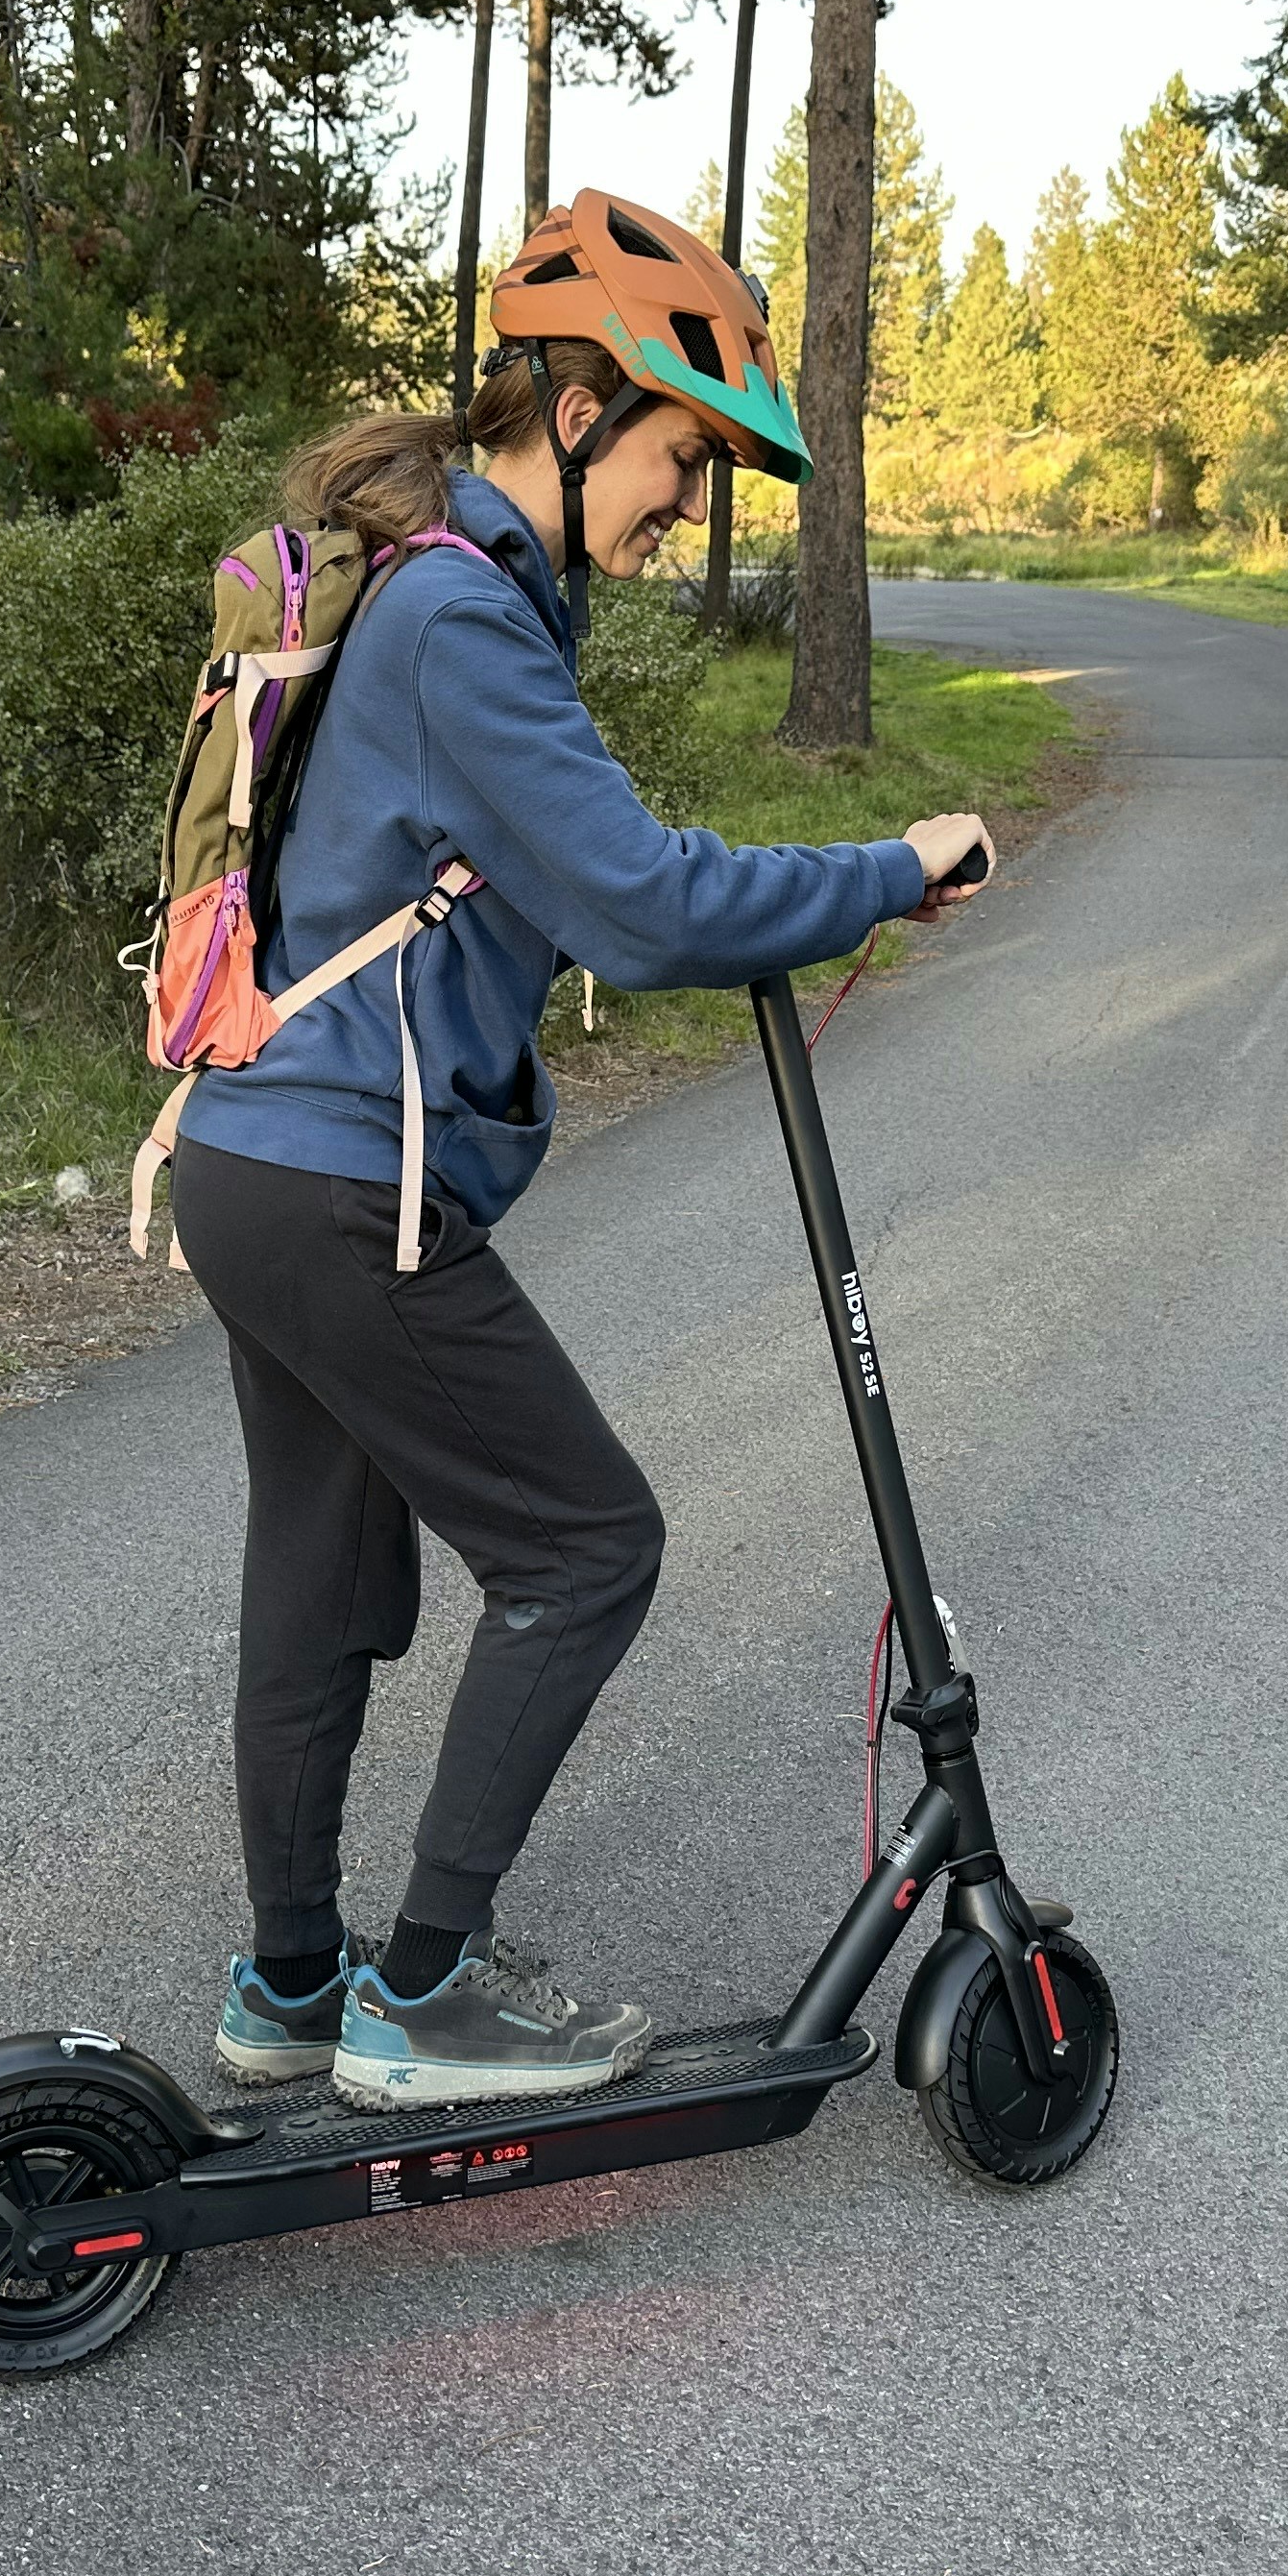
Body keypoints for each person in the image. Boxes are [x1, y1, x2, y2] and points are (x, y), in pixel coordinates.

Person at [169, 189, 989, 2113]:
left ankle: (293, 1989)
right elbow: (640, 903)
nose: (685, 510)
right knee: (587, 1546)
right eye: (685, 459)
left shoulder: (441, 584)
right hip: (345, 1179)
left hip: (257, 1162)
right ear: (573, 406)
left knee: (318, 1571)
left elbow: (576, 860)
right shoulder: (462, 609)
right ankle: (427, 1993)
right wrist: (893, 867)